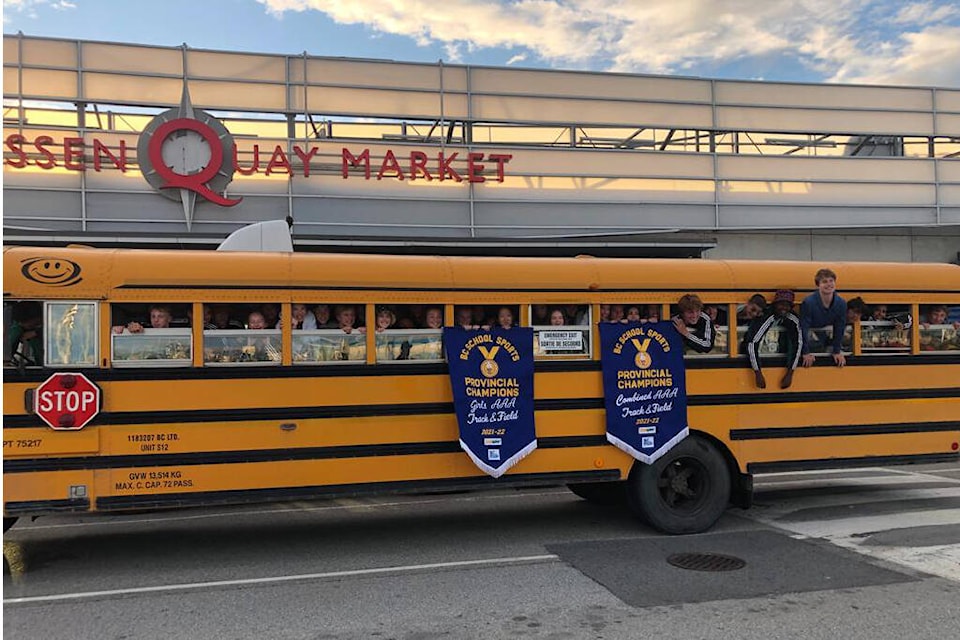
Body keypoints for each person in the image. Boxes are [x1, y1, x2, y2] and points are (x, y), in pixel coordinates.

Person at [744, 290, 803, 389]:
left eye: (787, 305)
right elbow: (752, 342)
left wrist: (790, 372)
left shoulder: (792, 319)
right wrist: (757, 372)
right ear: (775, 305)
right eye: (781, 304)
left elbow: (798, 343)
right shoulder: (767, 317)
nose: (784, 308)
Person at [800, 268, 847, 368]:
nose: (829, 284)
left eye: (831, 281)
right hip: (809, 337)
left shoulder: (841, 303)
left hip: (824, 336)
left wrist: (836, 351)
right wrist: (805, 352)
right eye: (824, 282)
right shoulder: (808, 302)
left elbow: (840, 327)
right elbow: (803, 328)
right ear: (818, 285)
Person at [9, 303, 43, 367]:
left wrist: (36, 333)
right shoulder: (18, 328)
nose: (21, 324)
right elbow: (9, 346)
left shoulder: (52, 326)